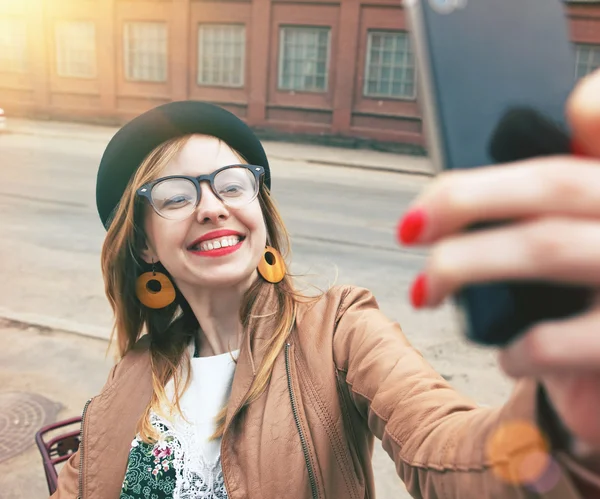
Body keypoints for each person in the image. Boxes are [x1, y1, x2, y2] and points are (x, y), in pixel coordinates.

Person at [52, 70, 600, 499]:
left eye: (233, 185)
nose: (213, 207)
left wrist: (563, 428)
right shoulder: (134, 376)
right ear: (144, 244)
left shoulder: (337, 330)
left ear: (260, 211)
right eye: (176, 195)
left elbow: (447, 450)